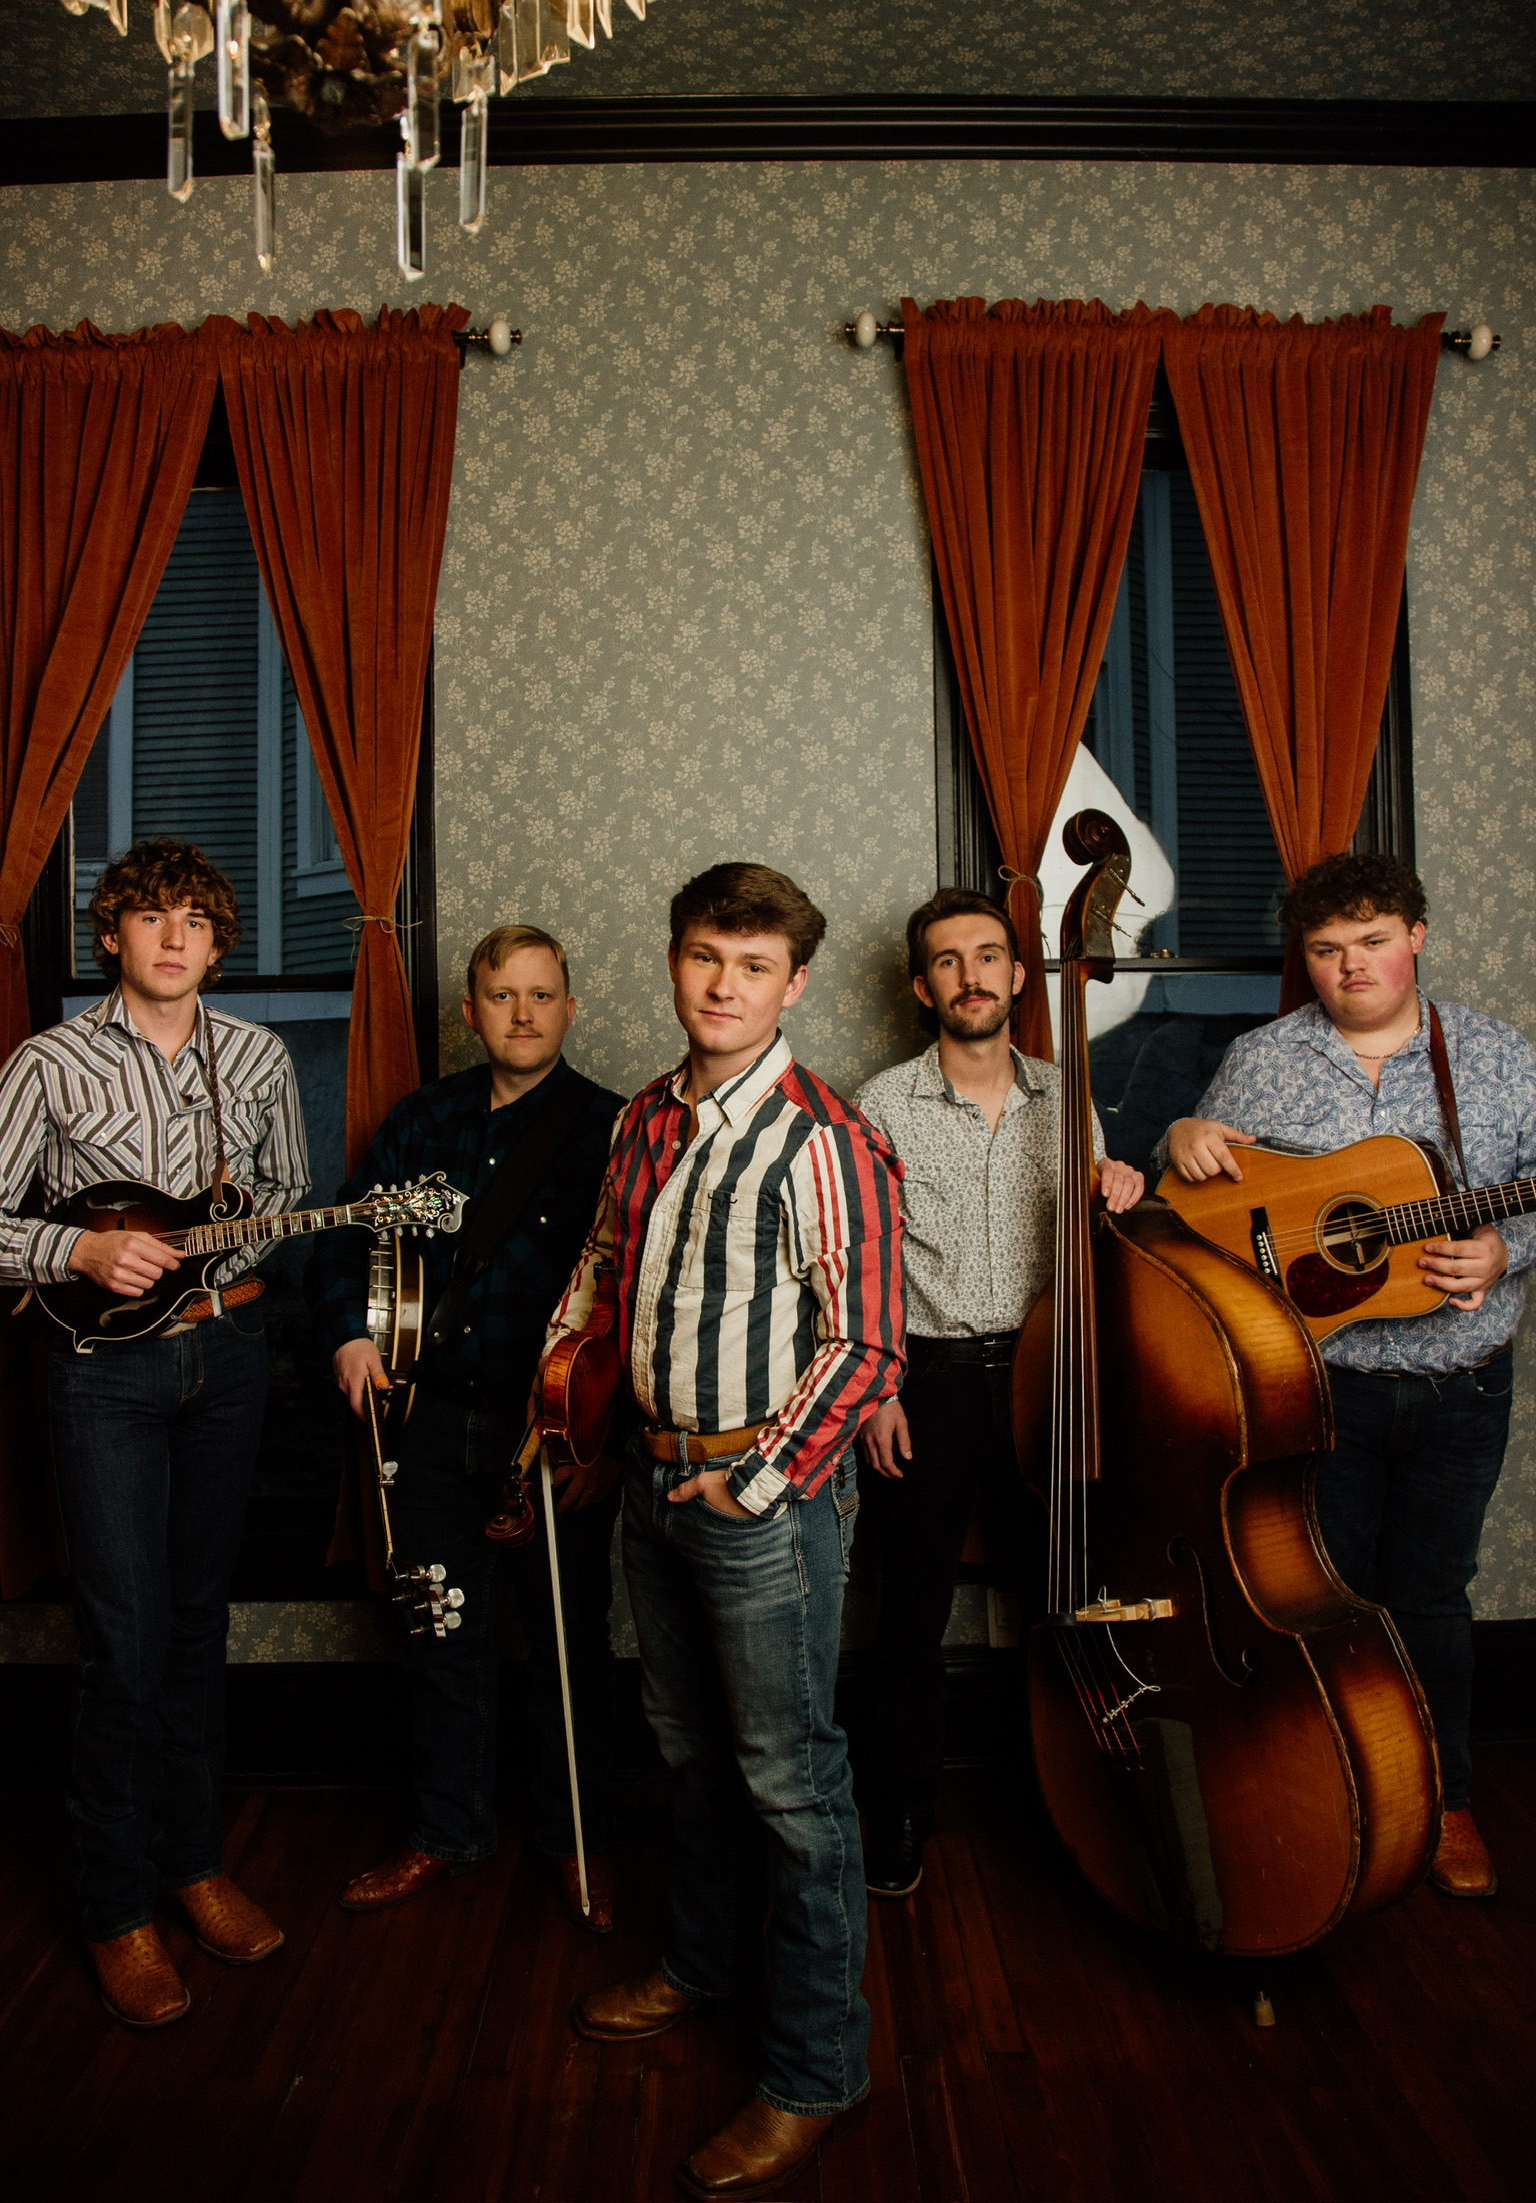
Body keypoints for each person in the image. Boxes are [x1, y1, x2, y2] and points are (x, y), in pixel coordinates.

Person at [554, 863, 903, 2203]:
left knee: (792, 1787)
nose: (722, 985)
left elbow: (866, 1343)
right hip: (648, 1481)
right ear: (674, 960)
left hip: (761, 1504)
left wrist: (756, 1482)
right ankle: (698, 1964)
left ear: (794, 983)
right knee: (687, 1753)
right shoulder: (647, 1113)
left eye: (752, 966)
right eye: (704, 956)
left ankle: (817, 2072)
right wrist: (563, 1401)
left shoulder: (823, 1133)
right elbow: (600, 1266)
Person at [1161, 851, 1536, 1899]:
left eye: (1371, 942)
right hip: (1319, 1390)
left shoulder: (1499, 1058)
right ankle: (1334, 1791)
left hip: (1460, 1386)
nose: (1350, 967)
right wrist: (1183, 1132)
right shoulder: (1264, 1058)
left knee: (1430, 1600)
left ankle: (1447, 1801)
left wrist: (1511, 1249)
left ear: (1414, 938)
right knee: (1320, 1600)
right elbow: (1200, 1196)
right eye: (1325, 951)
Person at [0, 839, 309, 2027]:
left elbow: (281, 1204)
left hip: (228, 1363)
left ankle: (192, 1864)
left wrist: (216, 1268)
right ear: (112, 938)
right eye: (149, 918)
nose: (174, 936)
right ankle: (113, 1906)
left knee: (194, 1628)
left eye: (195, 919)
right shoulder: (50, 1062)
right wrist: (75, 1250)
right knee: (122, 1645)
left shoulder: (260, 1058)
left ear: (219, 943)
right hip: (102, 1379)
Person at [307, 925, 627, 1931]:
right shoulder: (421, 1121)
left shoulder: (616, 1131)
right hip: (429, 1419)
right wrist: (347, 1338)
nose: (523, 1013)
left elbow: (640, 1297)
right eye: (502, 996)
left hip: (555, 1434)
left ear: (570, 1008)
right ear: (470, 1010)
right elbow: (341, 1246)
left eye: (541, 995)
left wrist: (605, 1442)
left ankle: (578, 1842)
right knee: (440, 1630)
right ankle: (449, 1831)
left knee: (568, 1643)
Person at [854, 887, 1144, 1895]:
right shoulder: (882, 1102)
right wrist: (878, 1385)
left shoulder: (1068, 1094)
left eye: (989, 955)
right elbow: (862, 1256)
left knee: (1063, 1602)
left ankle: (1072, 1815)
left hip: (1043, 1378)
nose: (970, 974)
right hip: (925, 1382)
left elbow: (1095, 1244)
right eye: (947, 959)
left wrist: (1120, 1189)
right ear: (921, 985)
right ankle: (895, 1816)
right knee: (906, 1620)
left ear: (1022, 976)